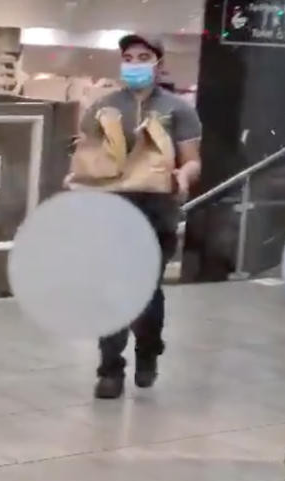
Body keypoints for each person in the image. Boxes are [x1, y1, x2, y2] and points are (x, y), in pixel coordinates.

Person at [75, 34, 202, 399]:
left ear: (159, 64)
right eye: (128, 57)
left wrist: (183, 175)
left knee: (146, 290)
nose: (134, 63)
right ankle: (110, 369)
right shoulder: (104, 107)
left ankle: (148, 351)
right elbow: (86, 153)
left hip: (158, 208)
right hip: (113, 207)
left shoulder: (178, 109)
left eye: (143, 56)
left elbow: (192, 159)